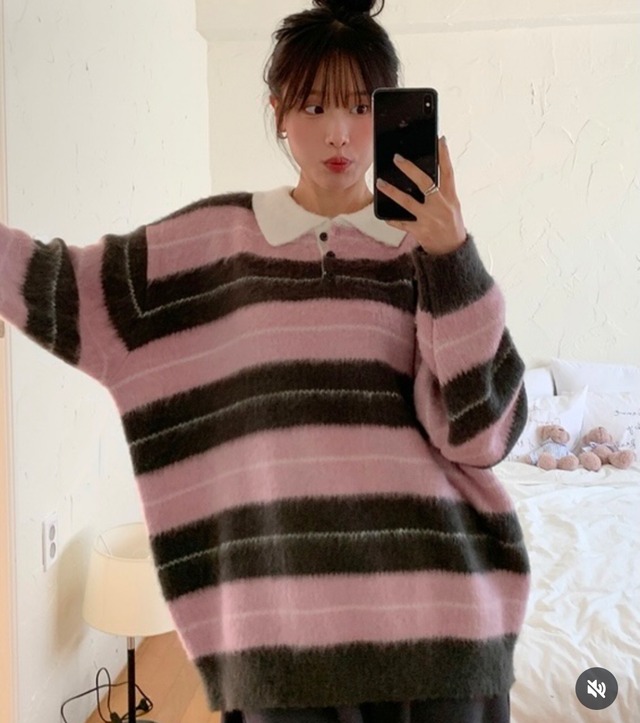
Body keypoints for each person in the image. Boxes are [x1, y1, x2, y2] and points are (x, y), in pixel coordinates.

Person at [0, 0, 530, 721]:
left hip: (439, 621)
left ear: (389, 115)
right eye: (314, 106)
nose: (338, 132)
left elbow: (483, 434)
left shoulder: (426, 247)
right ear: (278, 111)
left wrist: (453, 256)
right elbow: (67, 289)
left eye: (360, 106)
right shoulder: (216, 240)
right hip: (278, 634)